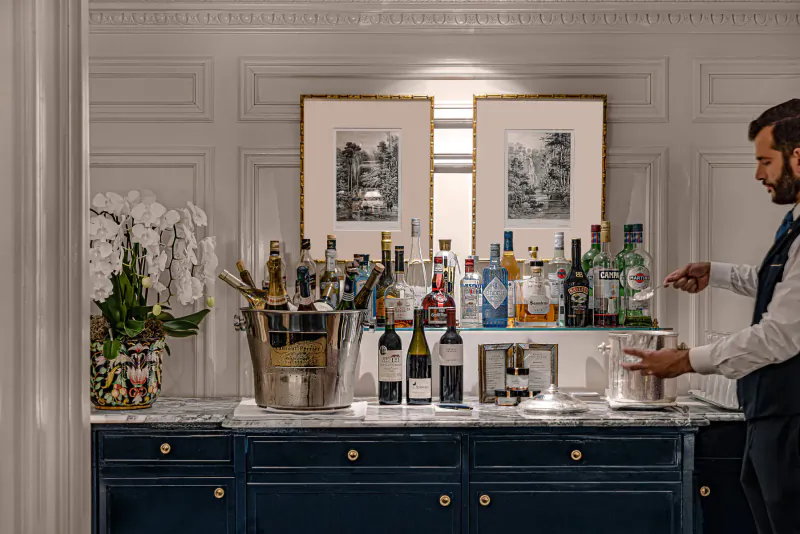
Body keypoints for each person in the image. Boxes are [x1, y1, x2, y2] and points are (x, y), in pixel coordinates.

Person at [622, 99, 800, 534]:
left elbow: (779, 335)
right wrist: (715, 273)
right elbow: (775, 283)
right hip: (771, 417)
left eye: (765, 161)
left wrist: (684, 361)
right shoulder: (796, 225)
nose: (759, 174)